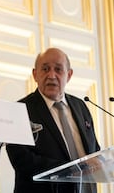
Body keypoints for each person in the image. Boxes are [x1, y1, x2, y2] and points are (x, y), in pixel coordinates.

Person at [6, 48, 100, 193]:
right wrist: (73, 169)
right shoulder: (19, 110)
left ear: (69, 75)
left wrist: (101, 161)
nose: (51, 75)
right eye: (45, 69)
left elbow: (93, 149)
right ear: (35, 74)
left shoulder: (80, 105)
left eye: (58, 69)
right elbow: (22, 161)